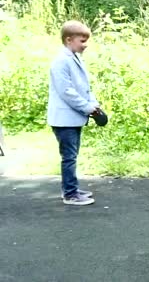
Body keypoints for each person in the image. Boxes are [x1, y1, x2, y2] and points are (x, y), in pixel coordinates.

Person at [47, 20, 100, 206]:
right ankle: (70, 194)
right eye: (82, 41)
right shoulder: (60, 62)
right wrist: (86, 107)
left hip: (73, 118)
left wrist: (94, 104)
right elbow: (66, 91)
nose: (85, 45)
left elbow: (84, 88)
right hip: (63, 119)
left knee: (72, 155)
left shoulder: (75, 58)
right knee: (69, 157)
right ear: (69, 40)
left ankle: (73, 187)